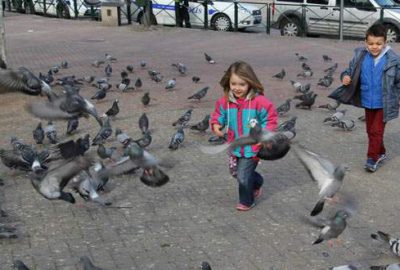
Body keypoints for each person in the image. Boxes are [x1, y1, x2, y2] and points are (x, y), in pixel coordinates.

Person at [210, 61, 278, 211]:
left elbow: (271, 120)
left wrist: (264, 136)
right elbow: (219, 114)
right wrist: (216, 124)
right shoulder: (225, 101)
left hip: (253, 147)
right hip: (234, 146)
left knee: (242, 175)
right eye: (233, 83)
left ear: (250, 83)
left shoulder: (260, 102)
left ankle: (247, 201)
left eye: (242, 84)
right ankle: (257, 181)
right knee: (236, 173)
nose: (237, 88)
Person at [340, 23, 400, 172]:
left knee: (376, 131)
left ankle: (371, 158)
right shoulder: (360, 56)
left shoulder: (393, 60)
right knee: (370, 130)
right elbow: (349, 71)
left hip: (384, 102)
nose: (375, 47)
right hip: (368, 101)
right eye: (371, 43)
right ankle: (381, 152)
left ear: (385, 42)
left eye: (379, 44)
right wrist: (345, 76)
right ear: (366, 42)